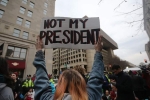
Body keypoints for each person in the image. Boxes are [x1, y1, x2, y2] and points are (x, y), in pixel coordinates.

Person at [33, 36, 104, 100]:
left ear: (60, 84)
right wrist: (98, 52)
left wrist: (39, 51)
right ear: (82, 84)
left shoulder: (47, 98)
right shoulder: (90, 97)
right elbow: (96, 78)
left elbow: (41, 81)